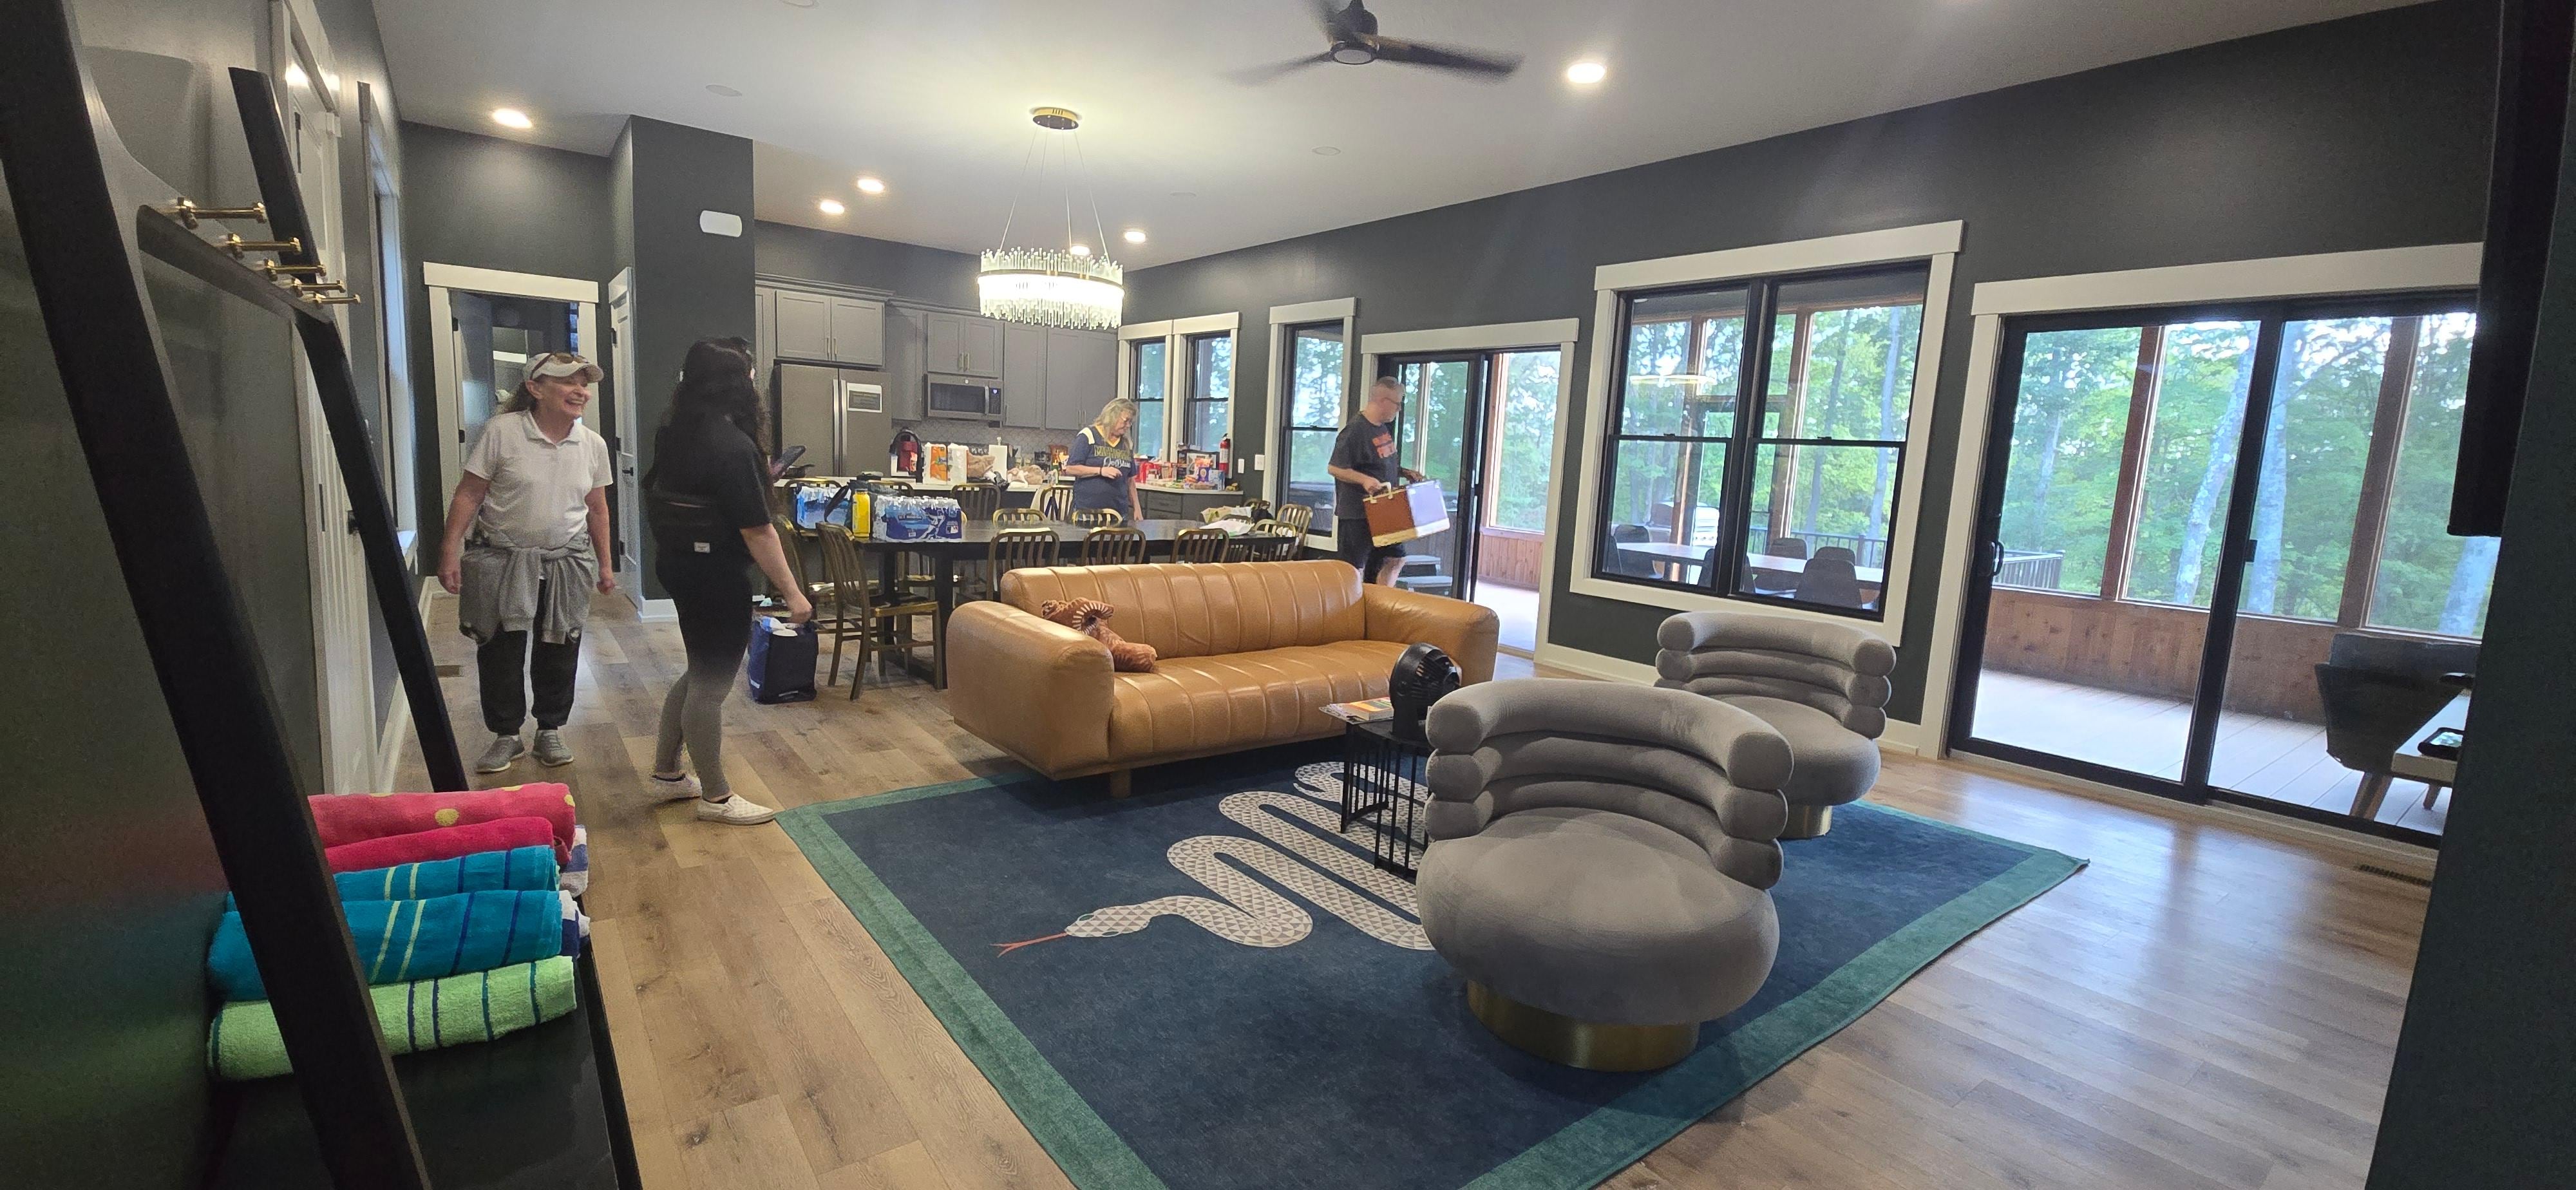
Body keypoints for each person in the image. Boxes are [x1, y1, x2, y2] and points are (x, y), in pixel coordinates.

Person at [640, 338, 811, 825]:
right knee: (712, 686)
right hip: (715, 574)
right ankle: (716, 797)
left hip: (678, 564)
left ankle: (667, 774)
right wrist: (794, 593)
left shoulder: (673, 432)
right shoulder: (733, 446)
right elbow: (758, 530)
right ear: (739, 385)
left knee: (699, 670)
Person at [439, 352, 616, 773]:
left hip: (565, 564)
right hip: (500, 560)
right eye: (567, 382)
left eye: (583, 383)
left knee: (560, 647)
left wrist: (606, 565)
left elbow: (598, 509)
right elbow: (469, 494)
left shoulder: (591, 444)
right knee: (500, 649)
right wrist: (449, 549)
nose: (580, 391)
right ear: (535, 388)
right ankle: (506, 736)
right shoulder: (502, 432)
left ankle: (550, 730)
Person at [1325, 377, 1424, 585]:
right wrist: (1363, 480)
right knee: (1353, 569)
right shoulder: (1354, 431)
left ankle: (1382, 606)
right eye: (1397, 404)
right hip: (1357, 513)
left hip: (1384, 511)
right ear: (1383, 401)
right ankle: (1353, 610)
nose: (1398, 410)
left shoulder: (1381, 428)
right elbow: (1334, 467)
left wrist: (1404, 472)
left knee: (1396, 559)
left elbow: (1377, 464)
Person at [1063, 397, 1144, 523]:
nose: (1128, 426)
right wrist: (1101, 471)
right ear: (1112, 416)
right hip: (1088, 514)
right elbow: (1071, 468)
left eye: (1130, 422)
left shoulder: (1126, 443)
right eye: (1126, 421)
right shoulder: (1088, 436)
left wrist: (1137, 509)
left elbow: (1130, 480)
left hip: (1118, 515)